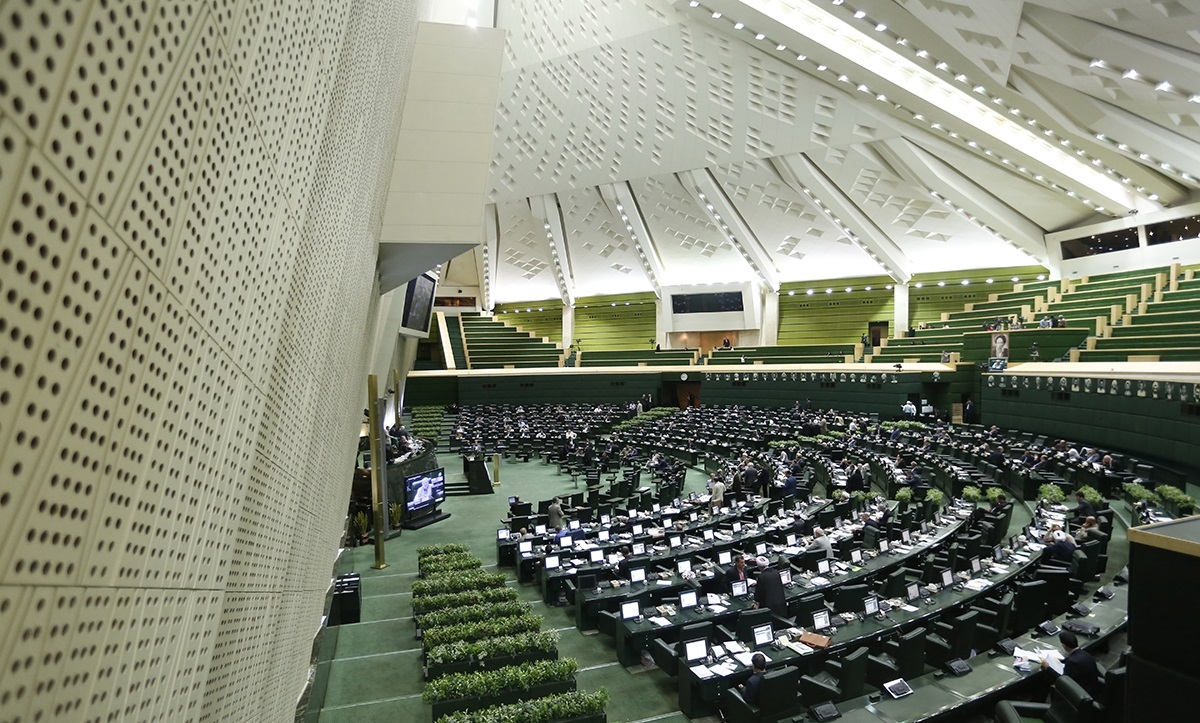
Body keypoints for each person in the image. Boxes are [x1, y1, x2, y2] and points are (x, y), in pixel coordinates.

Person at [1042, 630, 1103, 698]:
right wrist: (1060, 661)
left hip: (1080, 692)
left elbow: (1063, 680)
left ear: (1064, 645)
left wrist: (1047, 668)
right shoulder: (1084, 653)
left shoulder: (1072, 662)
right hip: (1092, 687)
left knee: (1046, 678)